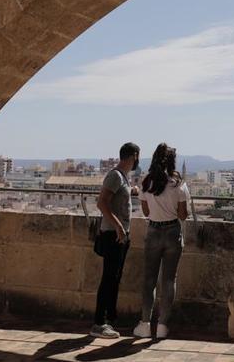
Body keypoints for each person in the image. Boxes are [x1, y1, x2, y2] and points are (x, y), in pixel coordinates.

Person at [132, 143, 189, 339]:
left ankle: (145, 324)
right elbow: (183, 215)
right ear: (172, 162)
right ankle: (163, 325)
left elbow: (146, 212)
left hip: (154, 230)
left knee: (149, 280)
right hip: (173, 231)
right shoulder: (178, 184)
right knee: (169, 279)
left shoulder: (147, 182)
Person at [90, 142, 140, 339]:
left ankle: (109, 320)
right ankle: (99, 323)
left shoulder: (123, 178)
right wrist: (119, 226)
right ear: (134, 156)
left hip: (119, 235)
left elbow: (119, 198)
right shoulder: (115, 176)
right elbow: (102, 202)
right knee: (109, 279)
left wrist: (133, 190)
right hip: (113, 234)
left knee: (114, 278)